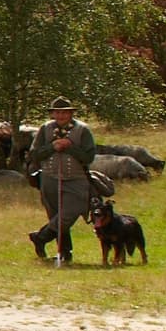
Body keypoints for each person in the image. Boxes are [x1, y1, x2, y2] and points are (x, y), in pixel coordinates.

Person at [27, 98, 106, 267]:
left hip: (76, 179)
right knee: (55, 216)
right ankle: (65, 253)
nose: (61, 115)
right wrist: (52, 147)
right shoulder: (45, 129)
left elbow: (89, 157)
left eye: (64, 112)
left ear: (71, 113)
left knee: (68, 215)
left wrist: (70, 147)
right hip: (49, 179)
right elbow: (34, 155)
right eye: (57, 112)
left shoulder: (82, 130)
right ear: (53, 113)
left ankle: (40, 237)